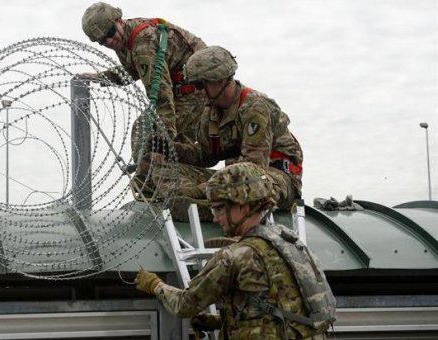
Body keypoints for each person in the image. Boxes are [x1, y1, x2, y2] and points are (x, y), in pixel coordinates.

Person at [135, 162, 336, 339]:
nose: (215, 218)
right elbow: (284, 308)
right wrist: (222, 320)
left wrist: (155, 285)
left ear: (244, 206)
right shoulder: (291, 242)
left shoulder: (235, 256)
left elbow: (184, 304)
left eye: (219, 208)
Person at [153, 45, 304, 220]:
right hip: (229, 179)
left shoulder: (255, 107)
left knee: (245, 184)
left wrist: (199, 190)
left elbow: (253, 167)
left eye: (199, 84)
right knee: (160, 169)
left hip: (272, 178)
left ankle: (205, 207)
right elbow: (205, 154)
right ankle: (197, 202)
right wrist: (169, 149)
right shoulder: (211, 113)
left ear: (218, 79)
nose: (196, 91)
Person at [81, 2, 208, 193]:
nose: (108, 41)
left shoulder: (143, 42)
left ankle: (162, 192)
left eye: (109, 33)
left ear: (119, 21)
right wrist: (102, 77)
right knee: (158, 141)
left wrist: (165, 137)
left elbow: (160, 94)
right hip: (183, 90)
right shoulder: (125, 39)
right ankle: (168, 191)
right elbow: (133, 70)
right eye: (101, 41)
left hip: (198, 90)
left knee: (153, 136)